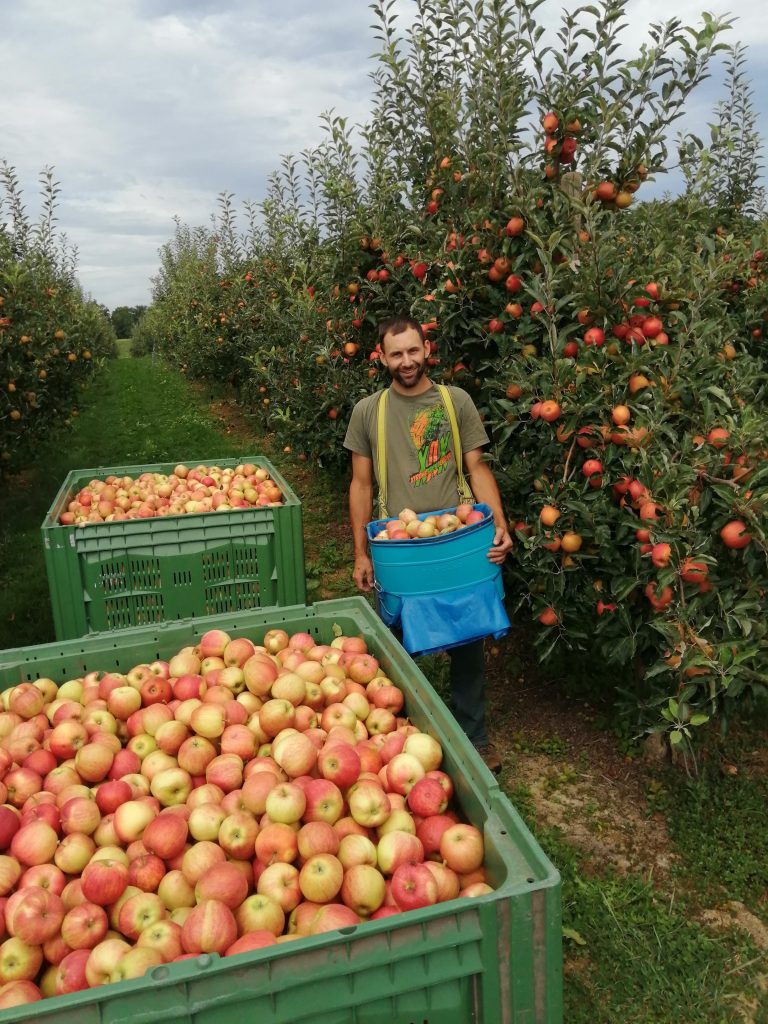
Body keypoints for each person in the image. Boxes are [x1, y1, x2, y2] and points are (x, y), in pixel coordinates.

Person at [343, 315, 513, 773]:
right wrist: (361, 551)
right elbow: (361, 484)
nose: (406, 362)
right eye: (396, 354)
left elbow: (476, 468)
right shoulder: (368, 411)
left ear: (426, 349)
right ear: (382, 357)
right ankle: (395, 735)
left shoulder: (454, 402)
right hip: (398, 548)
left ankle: (474, 737)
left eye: (413, 351)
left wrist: (498, 522)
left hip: (454, 538)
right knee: (394, 644)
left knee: (468, 633)